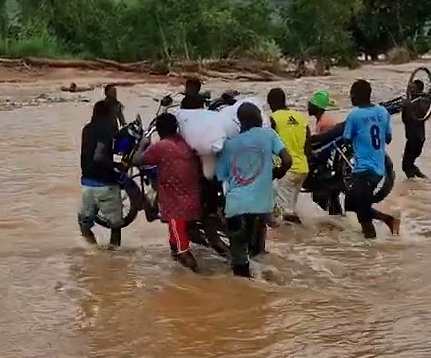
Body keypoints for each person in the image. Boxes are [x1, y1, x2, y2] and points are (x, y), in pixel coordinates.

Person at [217, 102, 289, 278]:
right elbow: (287, 160)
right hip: (262, 206)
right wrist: (275, 174)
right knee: (258, 254)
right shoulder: (269, 135)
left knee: (239, 259)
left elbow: (221, 177)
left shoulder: (228, 145)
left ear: (240, 121)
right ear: (258, 117)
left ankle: (243, 295)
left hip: (236, 206)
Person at [135, 112, 202, 271]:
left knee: (183, 252)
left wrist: (143, 144)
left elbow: (138, 160)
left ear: (159, 131)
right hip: (194, 197)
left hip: (177, 206)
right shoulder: (185, 143)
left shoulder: (161, 147)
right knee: (176, 240)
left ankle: (197, 280)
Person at [342, 79, 401, 239]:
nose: (350, 98)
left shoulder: (354, 115)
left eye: (352, 95)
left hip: (364, 169)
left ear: (357, 96)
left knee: (362, 212)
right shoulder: (382, 112)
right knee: (351, 204)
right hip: (378, 167)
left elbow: (346, 139)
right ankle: (386, 223)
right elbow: (388, 138)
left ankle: (372, 247)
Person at [79, 99, 125, 248]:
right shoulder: (108, 129)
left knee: (85, 225)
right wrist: (116, 165)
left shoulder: (87, 128)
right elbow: (99, 156)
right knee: (116, 225)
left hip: (87, 184)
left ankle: (93, 250)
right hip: (105, 184)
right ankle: (114, 257)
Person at [266, 87, 309, 226]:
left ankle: (301, 236)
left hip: (284, 170)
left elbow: (267, 144)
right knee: (290, 208)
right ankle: (300, 242)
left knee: (283, 215)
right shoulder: (301, 117)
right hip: (302, 169)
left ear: (270, 103)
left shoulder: (273, 119)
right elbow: (308, 144)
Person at [401, 80, 430, 179]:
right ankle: (417, 182)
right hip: (411, 137)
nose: (411, 90)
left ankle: (421, 180)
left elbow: (421, 111)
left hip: (417, 138)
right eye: (410, 88)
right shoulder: (411, 100)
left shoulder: (423, 100)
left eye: (413, 88)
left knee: (407, 165)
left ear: (419, 89)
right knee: (407, 165)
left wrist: (408, 105)